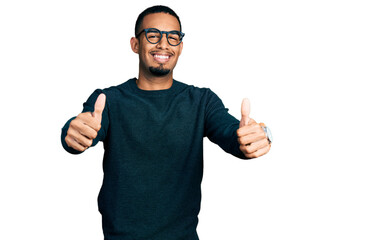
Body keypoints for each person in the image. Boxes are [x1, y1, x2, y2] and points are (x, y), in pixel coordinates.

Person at [61, 5, 272, 240]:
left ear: (180, 47)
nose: (164, 44)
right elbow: (81, 129)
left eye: (173, 38)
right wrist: (72, 134)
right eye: (153, 35)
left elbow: (232, 134)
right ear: (135, 44)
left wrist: (258, 135)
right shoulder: (108, 100)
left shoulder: (201, 101)